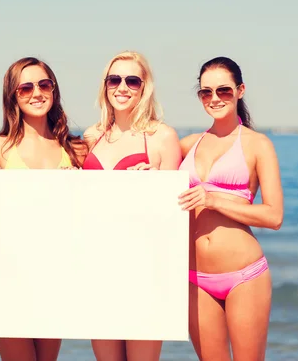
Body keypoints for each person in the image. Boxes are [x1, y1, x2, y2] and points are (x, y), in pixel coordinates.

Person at [177, 56, 284, 360]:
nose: (214, 98)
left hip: (244, 276)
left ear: (240, 91)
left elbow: (274, 215)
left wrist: (215, 200)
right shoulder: (188, 144)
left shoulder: (257, 144)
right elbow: (155, 186)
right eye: (205, 92)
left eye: (223, 91)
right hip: (195, 278)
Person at [0, 56, 87, 360]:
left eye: (44, 84)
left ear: (54, 90)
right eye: (25, 88)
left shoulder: (76, 148)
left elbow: (93, 215)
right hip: (9, 273)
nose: (36, 93)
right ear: (12, 96)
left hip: (57, 273)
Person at [82, 50, 182, 361]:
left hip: (145, 268)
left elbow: (175, 214)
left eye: (132, 81)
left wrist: (158, 185)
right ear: (105, 86)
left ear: (144, 87)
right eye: (115, 79)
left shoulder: (162, 137)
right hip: (97, 265)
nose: (122, 87)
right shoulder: (90, 137)